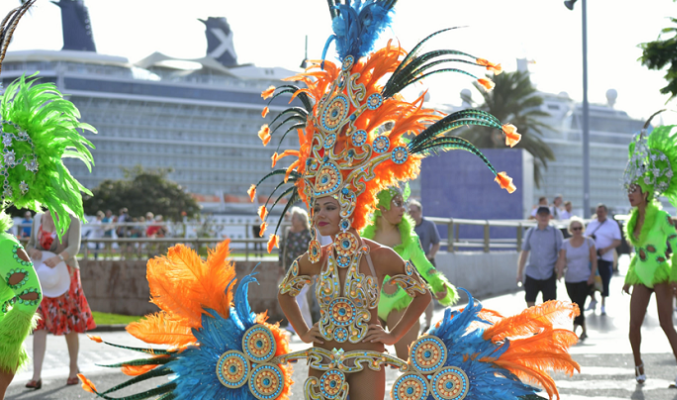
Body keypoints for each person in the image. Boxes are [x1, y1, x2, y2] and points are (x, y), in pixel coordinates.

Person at [80, 3, 581, 398]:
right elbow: (283, 295)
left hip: (369, 355)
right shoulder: (314, 258)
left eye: (329, 207)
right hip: (322, 358)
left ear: (348, 209)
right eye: (315, 206)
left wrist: (391, 335)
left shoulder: (376, 255)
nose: (320, 213)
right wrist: (303, 332)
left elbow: (422, 294)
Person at [0, 7, 95, 394]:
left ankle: (63, 368)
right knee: (34, 316)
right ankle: (34, 373)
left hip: (62, 278)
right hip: (40, 273)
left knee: (58, 324)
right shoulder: (37, 223)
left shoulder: (65, 215)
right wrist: (36, 254)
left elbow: (72, 248)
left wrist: (55, 257)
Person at [621, 120, 677, 388]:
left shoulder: (663, 218)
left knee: (667, 325)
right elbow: (638, 253)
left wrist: (676, 277)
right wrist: (629, 278)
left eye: (635, 190)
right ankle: (638, 366)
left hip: (662, 275)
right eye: (629, 189)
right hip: (642, 275)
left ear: (647, 192)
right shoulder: (632, 222)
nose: (631, 194)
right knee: (633, 327)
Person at [361, 186, 458, 359]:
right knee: (367, 362)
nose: (403, 209)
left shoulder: (410, 239)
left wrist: (438, 284)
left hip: (400, 305)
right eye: (398, 204)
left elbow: (425, 266)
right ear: (382, 207)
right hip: (370, 306)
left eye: (403, 204)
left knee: (406, 363)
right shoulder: (363, 238)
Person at [25, 211, 96, 389]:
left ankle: (73, 369)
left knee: (69, 322)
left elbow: (74, 247)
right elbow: (30, 244)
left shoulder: (72, 219)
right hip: (43, 277)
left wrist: (57, 258)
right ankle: (36, 376)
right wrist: (32, 250)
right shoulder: (37, 218)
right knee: (39, 323)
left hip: (66, 276)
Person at [555, 216, 597, 340]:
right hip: (570, 279)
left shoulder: (589, 242)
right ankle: (584, 331)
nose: (577, 231)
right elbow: (562, 260)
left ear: (582, 229)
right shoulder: (565, 243)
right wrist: (559, 274)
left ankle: (573, 331)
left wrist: (592, 276)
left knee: (579, 304)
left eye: (579, 228)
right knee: (575, 305)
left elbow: (594, 260)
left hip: (584, 278)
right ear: (570, 230)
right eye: (575, 228)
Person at [517, 206, 564, 307]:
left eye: (546, 215)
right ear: (536, 217)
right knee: (530, 301)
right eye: (541, 215)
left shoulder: (556, 232)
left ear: (549, 217)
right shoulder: (530, 232)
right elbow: (524, 252)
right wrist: (519, 273)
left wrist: (560, 271)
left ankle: (545, 323)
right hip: (532, 273)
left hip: (549, 273)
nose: (543, 218)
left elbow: (562, 253)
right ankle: (533, 322)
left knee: (549, 306)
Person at [407, 198, 442, 331]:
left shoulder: (428, 225)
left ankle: (428, 324)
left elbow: (437, 243)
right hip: (409, 266)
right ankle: (412, 323)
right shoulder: (405, 226)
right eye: (409, 212)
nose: (411, 215)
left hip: (426, 264)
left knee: (428, 295)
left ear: (420, 212)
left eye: (414, 212)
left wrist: (430, 256)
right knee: (411, 295)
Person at [277, 207, 313, 332]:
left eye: (294, 218)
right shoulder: (288, 232)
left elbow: (314, 252)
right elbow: (282, 250)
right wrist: (280, 266)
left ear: (301, 220)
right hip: (290, 270)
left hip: (305, 271)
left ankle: (292, 326)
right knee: (300, 297)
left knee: (297, 295)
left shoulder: (309, 234)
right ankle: (307, 325)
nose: (291, 220)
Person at [585, 204, 621, 315]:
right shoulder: (592, 224)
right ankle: (593, 299)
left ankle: (603, 304)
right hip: (592, 258)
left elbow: (618, 241)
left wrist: (605, 249)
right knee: (590, 279)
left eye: (601, 212)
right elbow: (585, 238)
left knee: (605, 281)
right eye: (597, 212)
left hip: (606, 258)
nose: (599, 214)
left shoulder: (612, 224)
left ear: (605, 212)